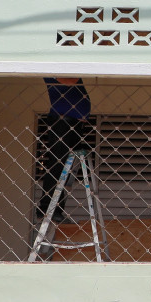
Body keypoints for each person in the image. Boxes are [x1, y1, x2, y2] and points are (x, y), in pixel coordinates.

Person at [37, 77, 92, 223]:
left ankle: (57, 209)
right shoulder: (54, 69)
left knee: (67, 167)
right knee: (58, 164)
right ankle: (47, 208)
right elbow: (70, 80)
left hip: (73, 121)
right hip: (62, 121)